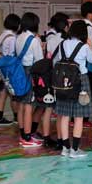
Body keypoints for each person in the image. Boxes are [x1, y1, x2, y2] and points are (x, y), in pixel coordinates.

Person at [54, 20, 92, 158]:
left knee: (65, 116)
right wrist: (91, 46)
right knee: (79, 116)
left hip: (64, 82)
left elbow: (58, 61)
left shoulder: (62, 44)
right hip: (81, 82)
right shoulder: (83, 47)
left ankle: (65, 148)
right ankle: (75, 149)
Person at [36, 13, 69, 149]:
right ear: (66, 26)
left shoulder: (51, 40)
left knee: (48, 108)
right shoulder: (67, 41)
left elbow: (48, 56)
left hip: (50, 75)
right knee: (62, 111)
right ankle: (62, 141)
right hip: (63, 76)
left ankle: (46, 137)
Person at [15, 12, 45, 148]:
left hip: (19, 72)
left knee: (21, 104)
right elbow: (39, 61)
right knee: (28, 106)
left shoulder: (19, 37)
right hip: (29, 72)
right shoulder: (33, 40)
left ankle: (22, 133)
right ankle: (27, 137)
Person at [0, 13, 20, 127]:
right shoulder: (12, 38)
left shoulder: (2, 36)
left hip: (0, 69)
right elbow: (12, 54)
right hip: (9, 69)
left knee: (3, 94)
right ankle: (17, 117)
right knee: (13, 94)